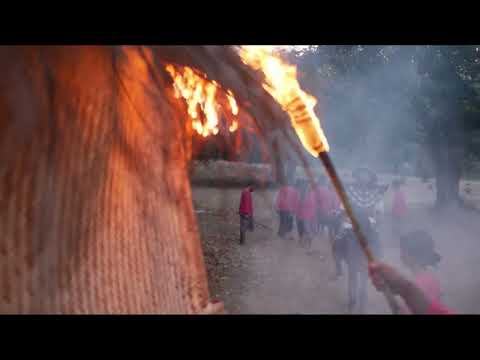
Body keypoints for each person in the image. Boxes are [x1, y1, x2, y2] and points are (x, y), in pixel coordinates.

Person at [369, 262, 452, 314]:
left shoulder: (423, 280)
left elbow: (422, 307)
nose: (401, 257)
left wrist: (404, 288)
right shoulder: (431, 277)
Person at [295, 180, 317, 252]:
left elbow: (313, 205)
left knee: (306, 230)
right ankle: (303, 242)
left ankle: (308, 244)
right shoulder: (301, 194)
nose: (305, 187)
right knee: (303, 229)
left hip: (306, 215)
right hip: (303, 215)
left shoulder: (310, 194)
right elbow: (298, 204)